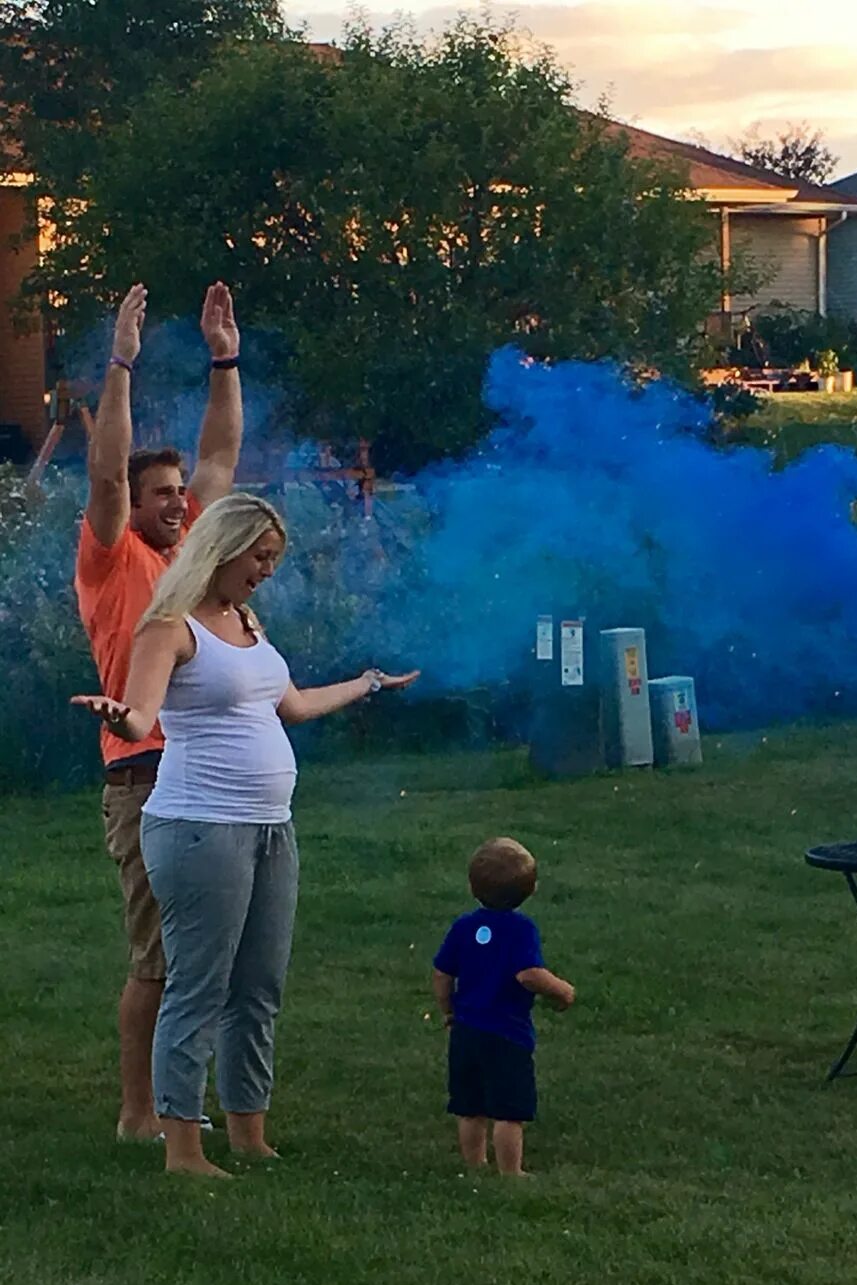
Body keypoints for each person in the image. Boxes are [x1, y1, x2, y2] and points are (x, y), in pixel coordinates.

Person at [72, 493, 420, 1177]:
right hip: (200, 827)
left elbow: (289, 705)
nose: (267, 570)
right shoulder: (168, 628)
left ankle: (248, 1131)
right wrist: (119, 718)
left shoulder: (246, 621)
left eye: (274, 559)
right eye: (260, 556)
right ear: (224, 549)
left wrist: (367, 684)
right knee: (198, 986)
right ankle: (182, 1146)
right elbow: (142, 718)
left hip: (269, 828)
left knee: (259, 985)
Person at [75, 280, 244, 1143]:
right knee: (158, 956)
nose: (178, 502)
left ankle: (180, 1101)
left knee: (205, 956)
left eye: (179, 492)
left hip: (206, 772)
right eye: (161, 494)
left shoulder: (191, 552)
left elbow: (221, 460)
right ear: (131, 511)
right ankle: (139, 1113)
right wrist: (121, 364)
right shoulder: (112, 559)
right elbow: (107, 468)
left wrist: (224, 358)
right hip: (141, 776)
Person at [432, 838, 575, 1177]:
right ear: (531, 889)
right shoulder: (521, 929)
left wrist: (448, 1010)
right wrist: (563, 991)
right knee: (509, 1111)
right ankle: (512, 1172)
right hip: (506, 1034)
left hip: (465, 1031)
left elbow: (441, 973)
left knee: (470, 1107)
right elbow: (528, 975)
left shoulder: (464, 927)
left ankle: (474, 1164)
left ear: (472, 887)